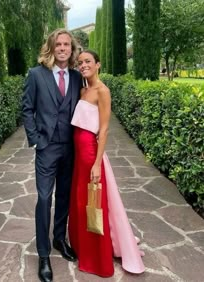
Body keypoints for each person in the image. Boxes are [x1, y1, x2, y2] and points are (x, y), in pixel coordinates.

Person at [68, 50, 145, 277]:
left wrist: (96, 163)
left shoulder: (103, 91)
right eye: (80, 62)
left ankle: (97, 258)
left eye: (88, 62)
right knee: (81, 202)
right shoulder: (82, 90)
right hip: (78, 155)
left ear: (98, 64)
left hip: (91, 155)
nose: (83, 65)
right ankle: (82, 247)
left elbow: (104, 129)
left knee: (95, 204)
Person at [22, 28, 82, 282]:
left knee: (65, 196)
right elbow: (27, 108)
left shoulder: (78, 77)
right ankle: (43, 254)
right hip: (46, 148)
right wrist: (35, 139)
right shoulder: (36, 75)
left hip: (70, 147)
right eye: (58, 44)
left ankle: (59, 239)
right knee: (44, 198)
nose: (62, 48)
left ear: (71, 49)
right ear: (51, 47)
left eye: (66, 45)